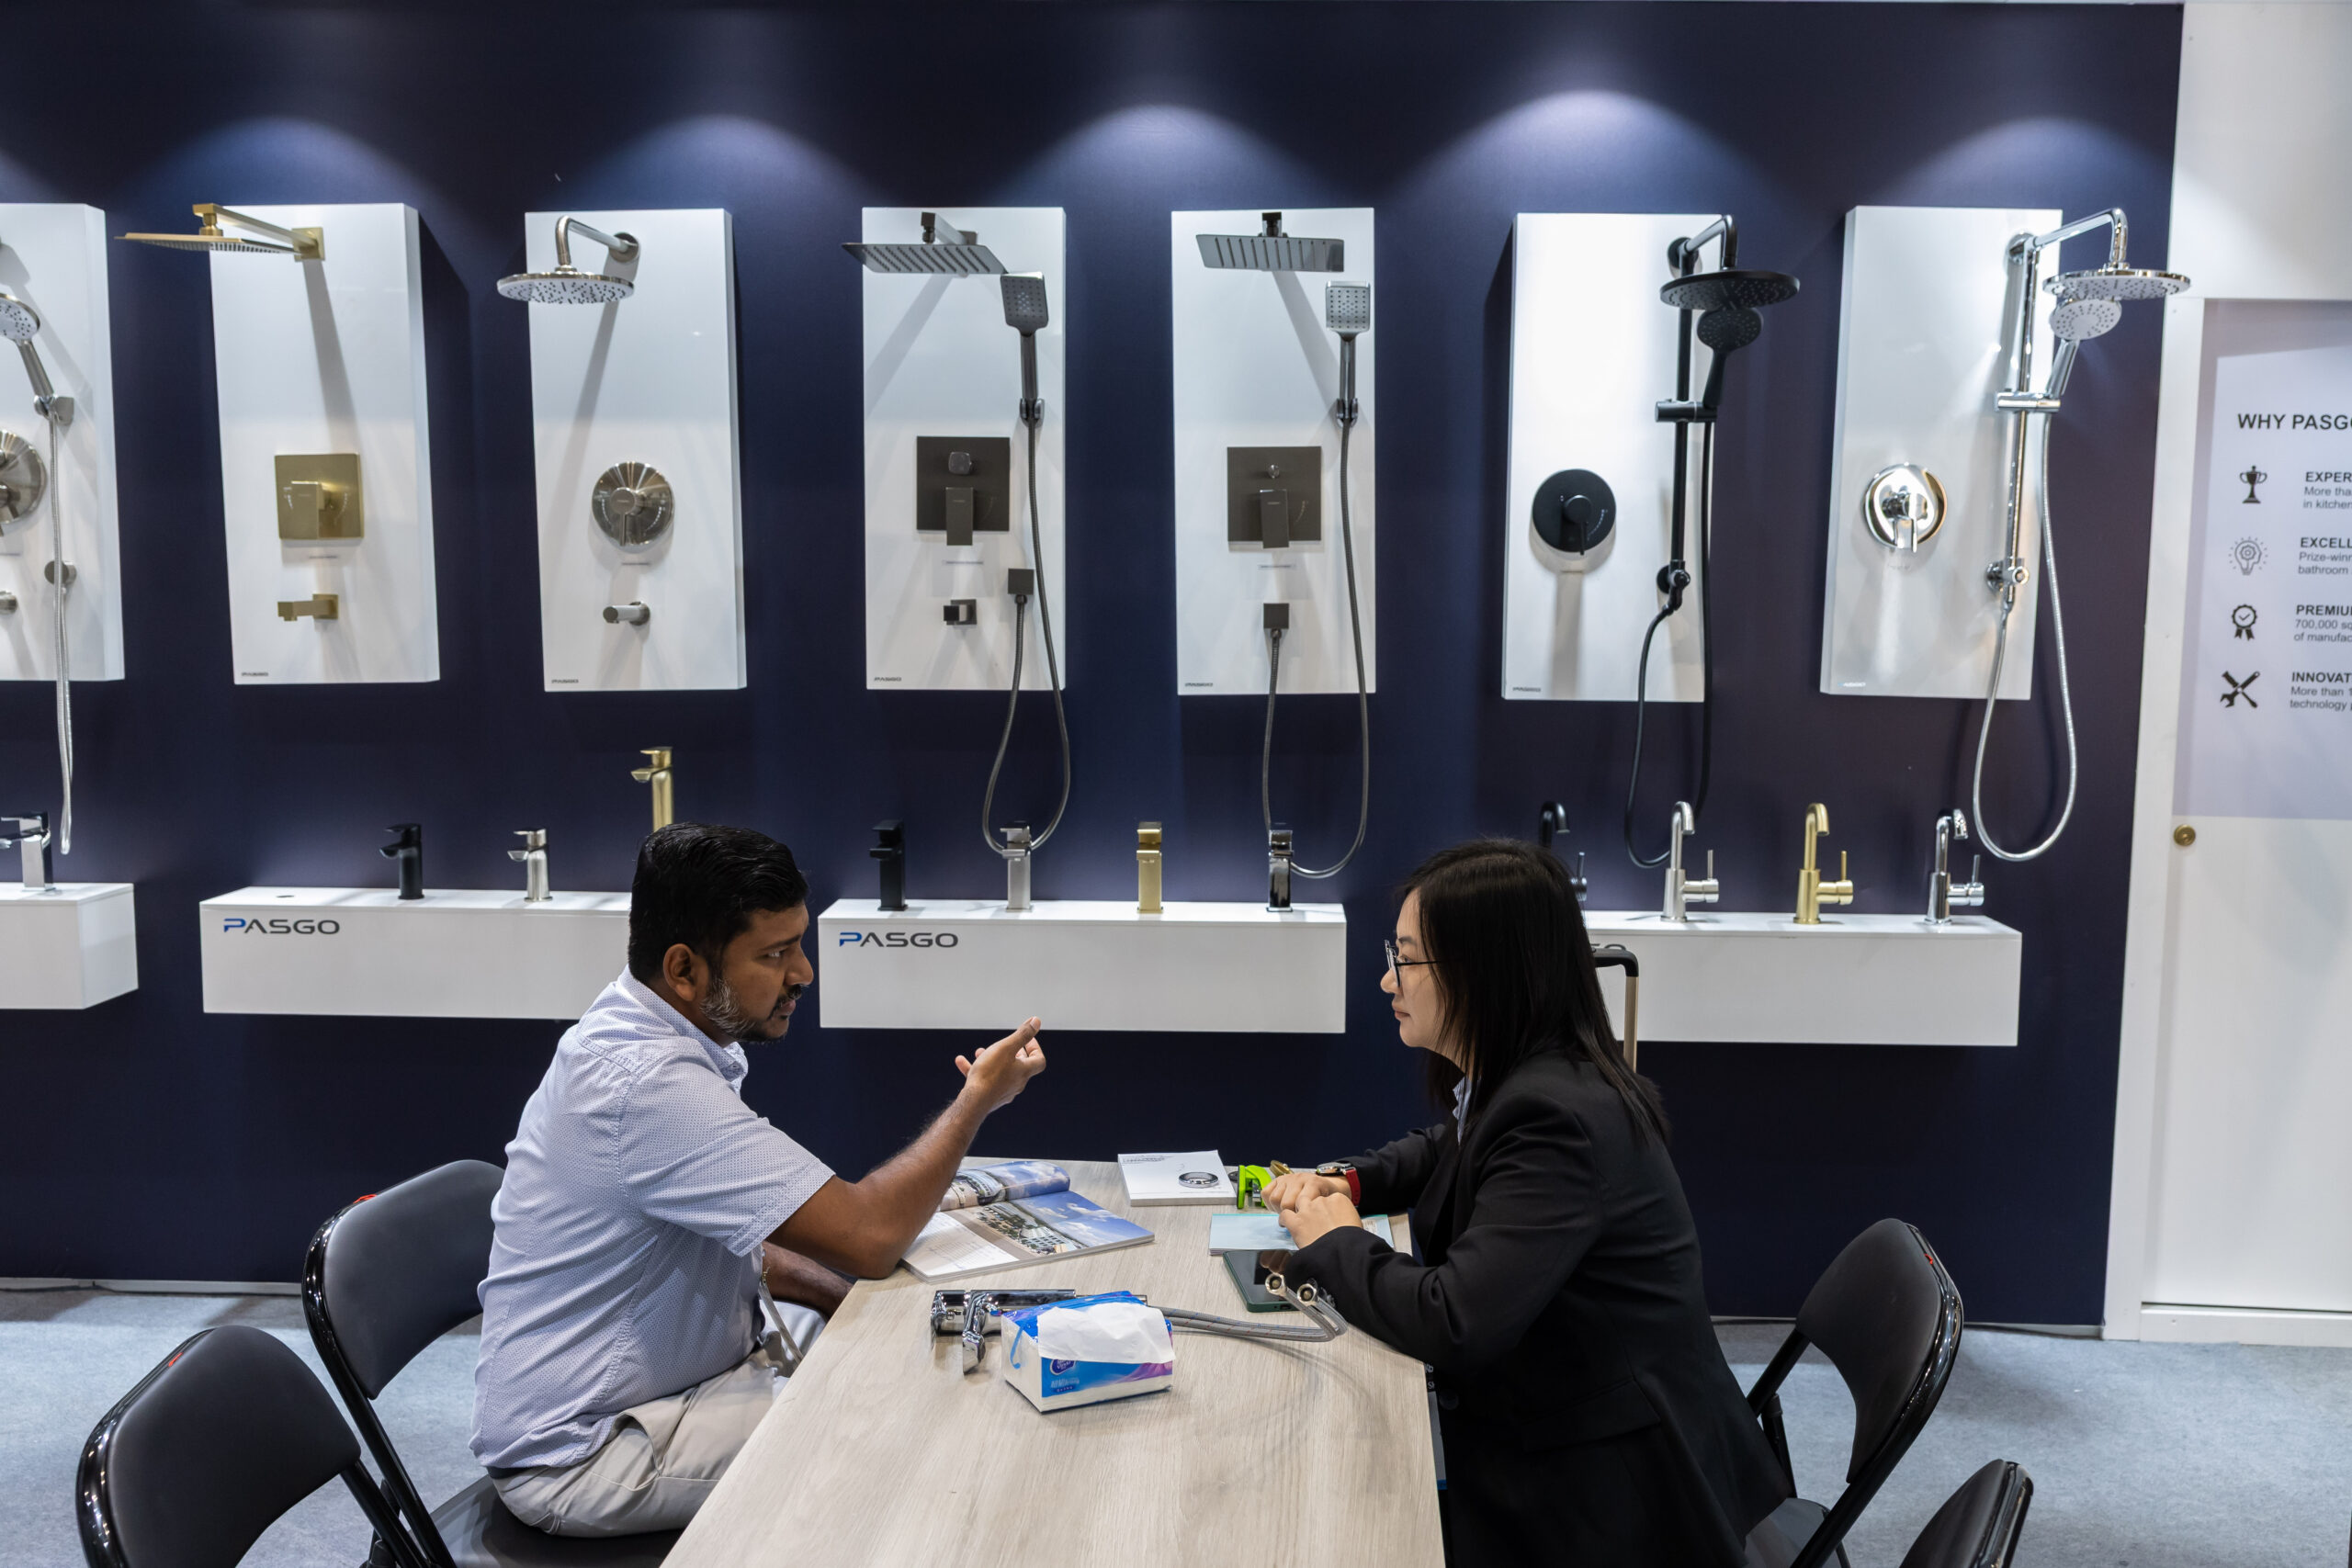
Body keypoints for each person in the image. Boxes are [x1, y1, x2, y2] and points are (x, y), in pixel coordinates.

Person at [471, 822, 1047, 1538]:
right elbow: (870, 1235)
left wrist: (843, 1302)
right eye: (775, 954)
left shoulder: (653, 1029)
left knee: (900, 1358)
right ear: (684, 969)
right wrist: (975, 1102)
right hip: (584, 1451)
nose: (803, 972)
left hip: (683, 1376)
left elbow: (738, 1236)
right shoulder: (648, 1085)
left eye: (798, 944)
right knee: (905, 1418)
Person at [1264, 840, 1785, 1566]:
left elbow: (1452, 1320)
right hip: (1576, 1428)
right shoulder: (1533, 1077)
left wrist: (1338, 1239)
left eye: (1406, 960)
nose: (1387, 979)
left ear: (1482, 972)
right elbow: (1446, 1146)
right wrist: (1348, 1183)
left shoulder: (1557, 1119)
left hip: (1612, 1494)